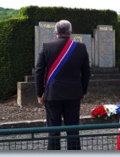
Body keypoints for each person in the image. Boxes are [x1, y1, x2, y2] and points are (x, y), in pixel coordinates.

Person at [34, 20, 91, 151]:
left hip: (52, 94)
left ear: (55, 32)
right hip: (73, 94)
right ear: (70, 32)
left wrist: (39, 93)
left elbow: (39, 72)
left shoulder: (46, 47)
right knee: (73, 130)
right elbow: (86, 71)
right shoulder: (81, 48)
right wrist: (83, 90)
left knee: (54, 131)